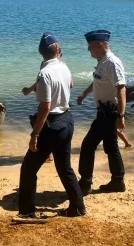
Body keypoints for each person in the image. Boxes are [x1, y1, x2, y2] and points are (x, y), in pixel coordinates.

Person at [17, 33, 86, 218]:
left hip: (52, 125)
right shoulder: (63, 66)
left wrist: (34, 135)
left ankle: (26, 212)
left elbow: (45, 107)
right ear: (58, 51)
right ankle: (78, 207)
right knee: (65, 168)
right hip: (67, 120)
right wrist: (31, 89)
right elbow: (69, 84)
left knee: (28, 169)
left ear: (41, 53)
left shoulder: (44, 72)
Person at [77, 29, 127, 195]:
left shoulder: (112, 63)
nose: (88, 50)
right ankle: (118, 181)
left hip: (109, 112)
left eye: (90, 47)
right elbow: (98, 81)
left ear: (100, 45)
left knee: (88, 146)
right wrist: (85, 93)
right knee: (111, 147)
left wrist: (120, 116)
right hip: (104, 111)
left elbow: (121, 89)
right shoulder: (102, 61)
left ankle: (85, 183)